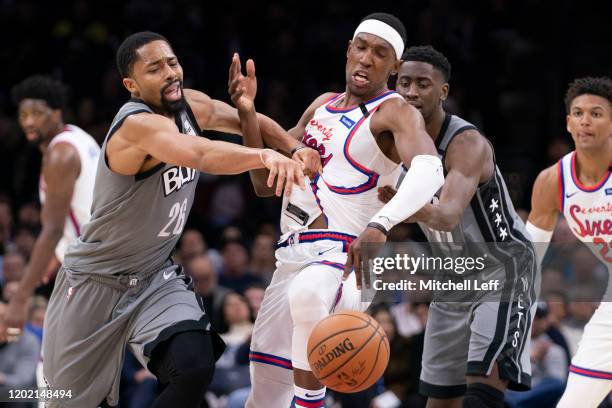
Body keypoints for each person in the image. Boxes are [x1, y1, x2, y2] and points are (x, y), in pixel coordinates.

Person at [40, 31, 316, 408]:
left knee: (194, 366)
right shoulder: (136, 127)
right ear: (131, 85)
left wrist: (294, 147)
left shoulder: (191, 105)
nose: (170, 73)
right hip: (94, 283)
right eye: (155, 68)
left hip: (153, 275)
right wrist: (264, 158)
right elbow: (197, 152)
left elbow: (243, 120)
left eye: (172, 62)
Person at [235, 13, 444, 408]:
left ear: (394, 67)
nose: (367, 59)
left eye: (380, 53)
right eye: (361, 48)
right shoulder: (323, 106)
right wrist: (247, 112)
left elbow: (431, 171)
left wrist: (381, 225)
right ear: (348, 50)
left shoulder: (395, 112)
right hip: (292, 254)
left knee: (308, 293)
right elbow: (263, 184)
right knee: (263, 396)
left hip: (347, 259)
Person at [375, 46, 537, 407]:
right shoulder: (393, 140)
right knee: (440, 400)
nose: (412, 92)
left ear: (443, 92)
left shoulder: (466, 144)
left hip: (503, 267)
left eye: (423, 84)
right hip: (453, 277)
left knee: (481, 393)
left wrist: (409, 206)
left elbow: (447, 214)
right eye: (404, 83)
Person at [526, 76, 611, 408]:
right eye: (578, 113)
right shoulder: (552, 181)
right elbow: (529, 258)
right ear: (568, 123)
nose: (586, 120)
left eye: (597, 113)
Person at [0, 75, 100, 343]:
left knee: (56, 368)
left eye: (37, 113)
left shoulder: (60, 155)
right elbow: (84, 209)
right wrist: (55, 257)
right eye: (23, 115)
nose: (29, 122)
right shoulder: (79, 137)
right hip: (99, 259)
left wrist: (21, 298)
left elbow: (53, 228)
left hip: (91, 269)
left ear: (56, 112)